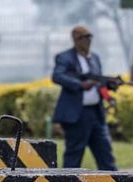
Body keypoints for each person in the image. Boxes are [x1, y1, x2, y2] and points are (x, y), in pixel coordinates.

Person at [52, 25, 117, 171]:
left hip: (96, 113)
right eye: (83, 38)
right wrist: (80, 84)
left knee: (105, 153)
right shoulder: (65, 57)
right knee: (74, 155)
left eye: (89, 37)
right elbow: (57, 76)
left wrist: (108, 93)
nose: (87, 41)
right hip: (77, 114)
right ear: (75, 40)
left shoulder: (95, 58)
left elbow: (99, 83)